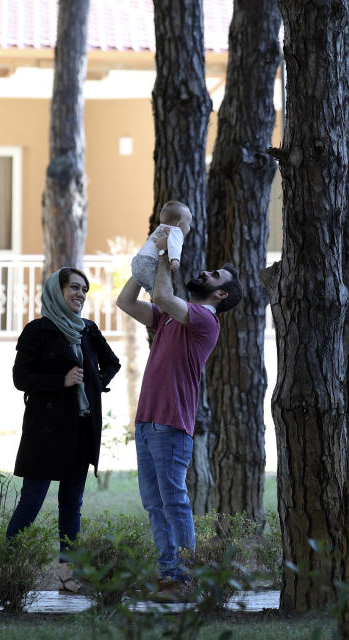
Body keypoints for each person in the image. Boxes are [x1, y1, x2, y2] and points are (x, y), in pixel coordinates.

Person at [116, 226, 244, 600]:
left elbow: (160, 293)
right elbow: (127, 302)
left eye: (214, 276)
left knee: (174, 501)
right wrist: (146, 257)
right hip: (147, 422)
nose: (205, 272)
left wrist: (161, 254)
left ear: (220, 294)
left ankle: (186, 580)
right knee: (155, 504)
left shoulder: (205, 319)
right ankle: (169, 577)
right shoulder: (171, 316)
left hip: (171, 423)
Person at [6, 267, 121, 594]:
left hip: (79, 431)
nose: (80, 294)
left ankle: (66, 576)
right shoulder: (38, 331)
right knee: (31, 503)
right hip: (45, 432)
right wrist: (62, 381)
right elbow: (21, 378)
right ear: (58, 291)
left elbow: (111, 363)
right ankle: (9, 569)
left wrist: (95, 384)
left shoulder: (88, 330)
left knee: (72, 505)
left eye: (84, 290)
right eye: (73, 287)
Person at [130, 201, 193, 296]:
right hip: (150, 262)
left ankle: (154, 298)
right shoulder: (176, 231)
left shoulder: (160, 229)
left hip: (137, 262)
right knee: (159, 290)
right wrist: (175, 260)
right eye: (188, 223)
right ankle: (159, 303)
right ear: (179, 223)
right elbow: (174, 247)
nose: (189, 227)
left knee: (152, 288)